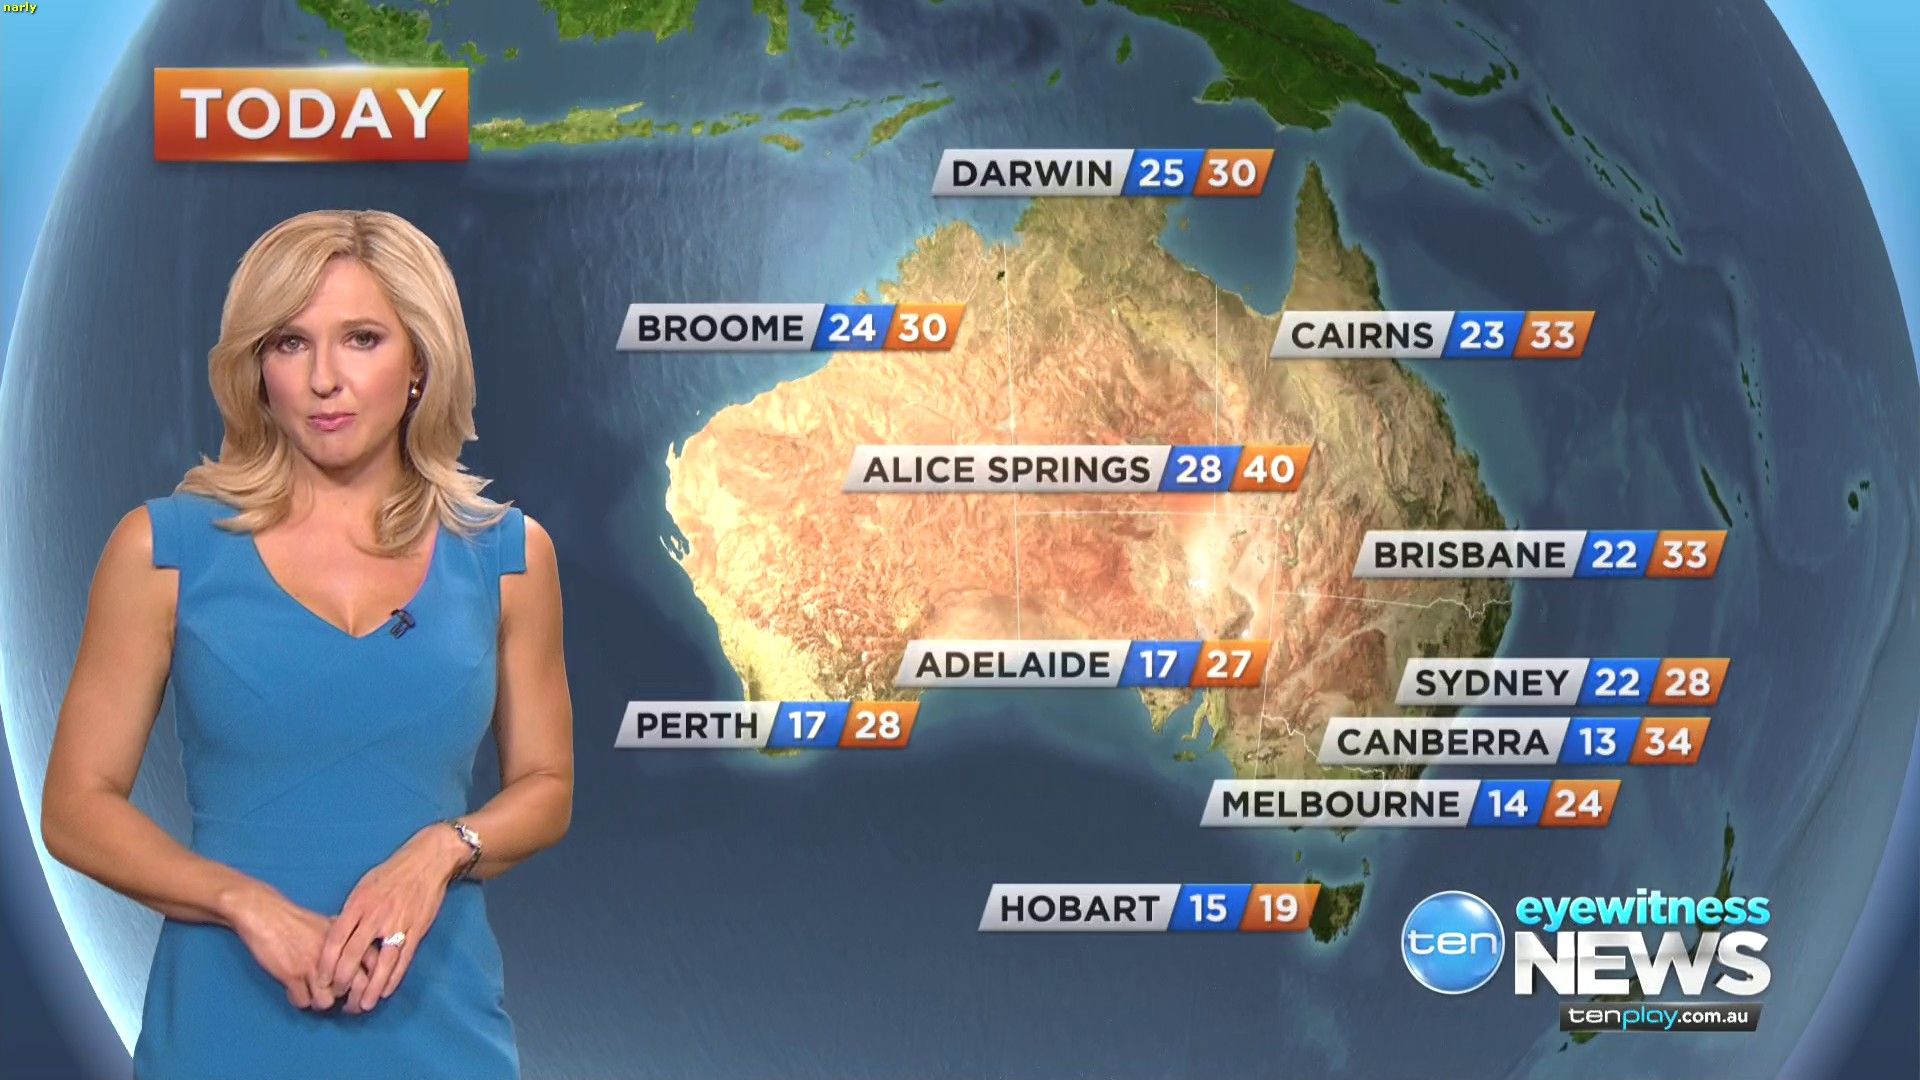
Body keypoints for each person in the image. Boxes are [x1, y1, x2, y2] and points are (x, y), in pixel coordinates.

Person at [39, 209, 574, 1080]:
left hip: (441, 1033)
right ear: (257, 368)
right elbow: (75, 807)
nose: (325, 379)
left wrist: (442, 850)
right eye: (290, 343)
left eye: (362, 339)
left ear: (420, 361)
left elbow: (547, 785)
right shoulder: (164, 550)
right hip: (220, 1032)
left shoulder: (508, 557)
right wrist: (241, 901)